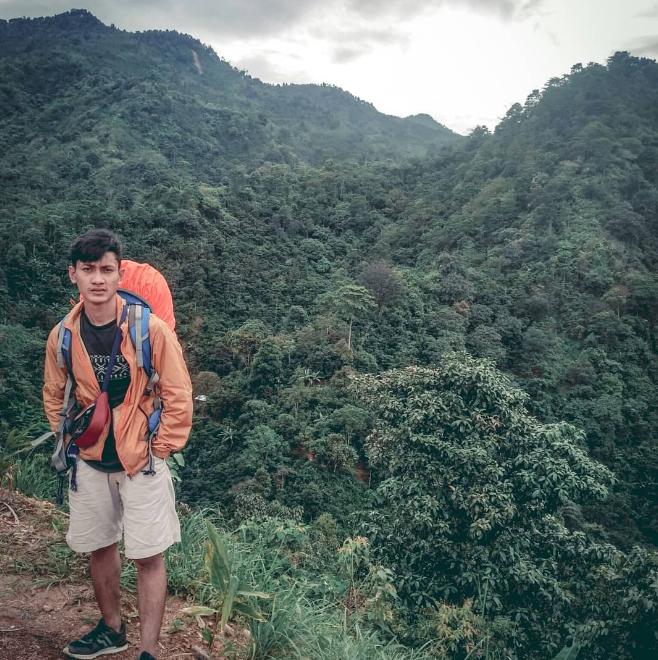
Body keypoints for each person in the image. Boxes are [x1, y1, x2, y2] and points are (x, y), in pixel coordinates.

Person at [43, 229, 193, 660]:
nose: (97, 279)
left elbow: (178, 392)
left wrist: (161, 448)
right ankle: (112, 630)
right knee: (100, 545)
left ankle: (147, 650)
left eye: (106, 270)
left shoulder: (150, 329)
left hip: (140, 457)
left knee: (148, 554)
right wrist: (69, 437)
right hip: (90, 458)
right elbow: (55, 392)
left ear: (118, 274)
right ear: (73, 275)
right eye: (88, 270)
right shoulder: (64, 335)